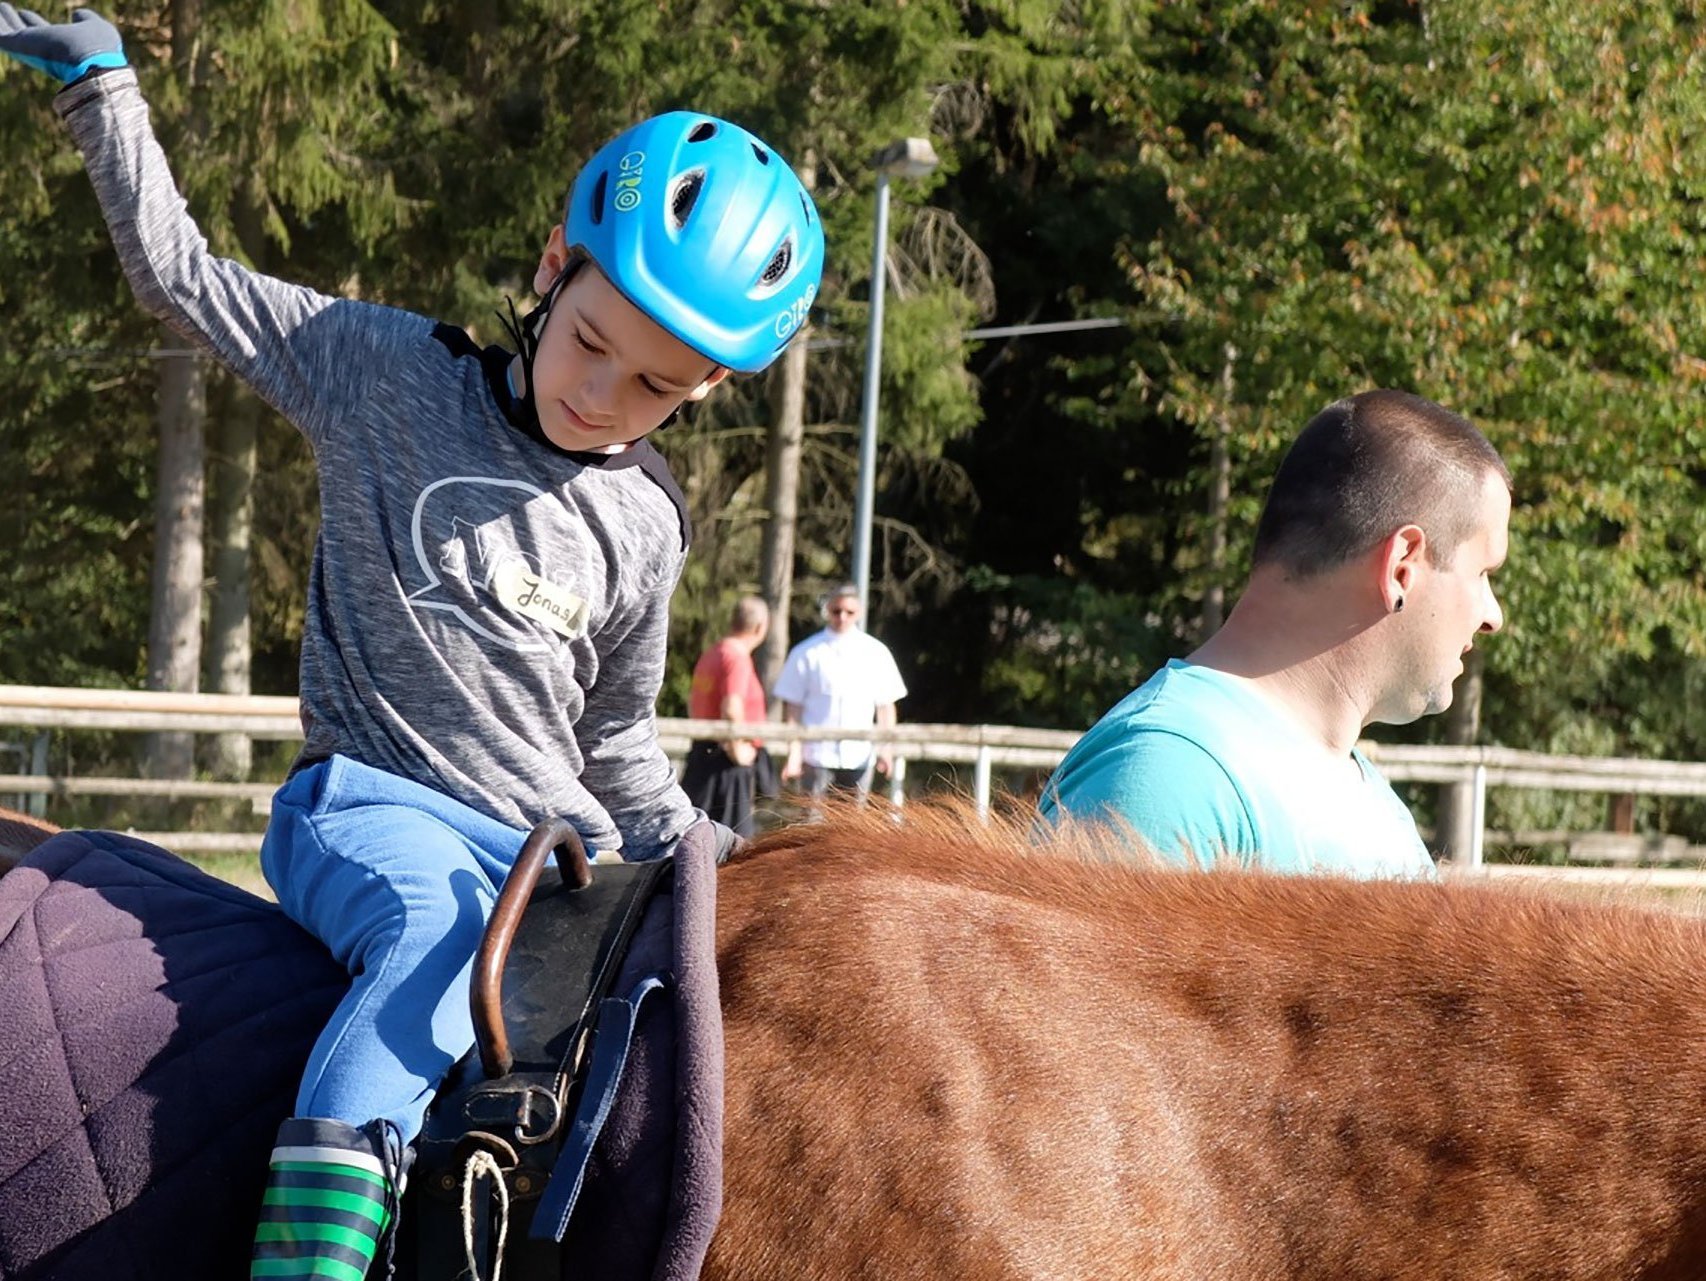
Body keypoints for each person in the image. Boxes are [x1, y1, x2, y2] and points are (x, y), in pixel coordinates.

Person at [0, 8, 824, 1271]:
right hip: (372, 807)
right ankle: (310, 1260)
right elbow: (180, 276)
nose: (598, 395)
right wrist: (102, 88)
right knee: (441, 950)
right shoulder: (381, 373)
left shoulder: (647, 523)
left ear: (708, 389)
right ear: (554, 264)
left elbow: (609, 737)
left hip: (557, 861)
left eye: (651, 384)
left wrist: (742, 863)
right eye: (591, 341)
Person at [1039, 389, 1510, 878]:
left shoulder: (1369, 801)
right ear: (1402, 566)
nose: (1492, 615)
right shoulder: (1167, 778)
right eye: (1482, 572)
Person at [774, 584, 908, 798]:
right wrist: (794, 751)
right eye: (837, 611)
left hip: (859, 755)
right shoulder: (806, 652)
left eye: (850, 612)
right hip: (816, 756)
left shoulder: (875, 652)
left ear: (860, 613)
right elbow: (793, 708)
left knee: (854, 826)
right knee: (811, 824)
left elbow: (885, 706)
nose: (843, 617)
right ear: (828, 610)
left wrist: (885, 747)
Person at [680, 595, 775, 838]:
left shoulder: (712, 653)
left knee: (696, 836)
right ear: (760, 627)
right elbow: (732, 706)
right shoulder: (736, 658)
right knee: (733, 843)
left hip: (703, 755)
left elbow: (695, 703)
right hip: (726, 764)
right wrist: (737, 749)